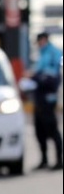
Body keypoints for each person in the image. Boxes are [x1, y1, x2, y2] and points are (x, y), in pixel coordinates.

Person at [27, 32, 63, 170]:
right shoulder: (41, 54)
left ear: (44, 40)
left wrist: (35, 77)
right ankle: (44, 160)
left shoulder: (54, 53)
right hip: (39, 97)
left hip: (48, 97)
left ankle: (59, 160)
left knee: (52, 129)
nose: (38, 44)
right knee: (39, 130)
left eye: (39, 41)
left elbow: (51, 77)